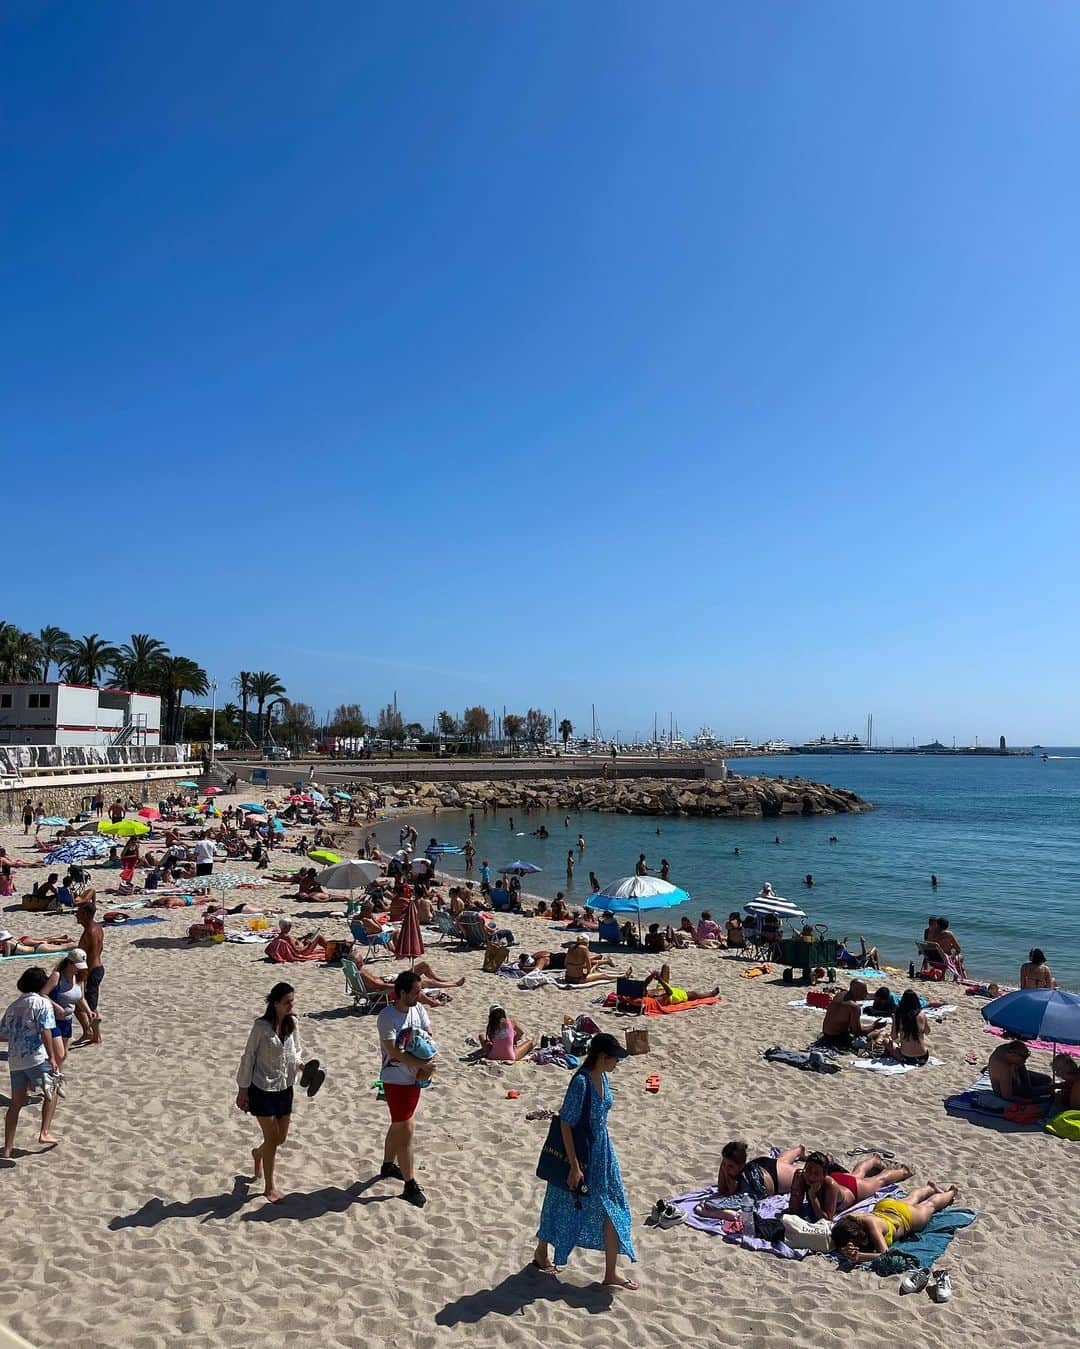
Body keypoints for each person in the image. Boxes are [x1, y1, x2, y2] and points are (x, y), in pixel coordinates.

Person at [532, 1032, 637, 1288]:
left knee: (614, 1207)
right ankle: (541, 1251)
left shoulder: (601, 1075)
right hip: (581, 1155)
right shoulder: (580, 1083)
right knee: (558, 1202)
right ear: (602, 1057)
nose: (617, 1063)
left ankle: (610, 1272)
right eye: (615, 1058)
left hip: (603, 1153)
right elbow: (566, 1123)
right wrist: (574, 1166)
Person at [236, 982, 311, 1203]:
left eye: (292, 1001)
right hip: (262, 1088)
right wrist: (242, 1089)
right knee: (271, 1139)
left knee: (280, 1138)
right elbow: (248, 1057)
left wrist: (301, 1065)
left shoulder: (293, 1023)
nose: (291, 1005)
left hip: (285, 1086)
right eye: (287, 1001)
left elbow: (295, 1051)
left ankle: (258, 1154)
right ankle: (269, 1187)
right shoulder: (260, 1027)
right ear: (275, 1003)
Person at [377, 969, 435, 1207]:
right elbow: (393, 1051)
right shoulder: (387, 1016)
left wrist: (426, 1065)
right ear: (402, 993)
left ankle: (388, 1165)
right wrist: (422, 1063)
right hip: (394, 1079)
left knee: (399, 1124)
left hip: (414, 1079)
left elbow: (428, 1035)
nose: (419, 995)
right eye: (415, 992)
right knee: (406, 1129)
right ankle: (410, 1184)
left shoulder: (418, 1009)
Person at [2, 966, 62, 1158]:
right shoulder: (42, 1003)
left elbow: (2, 1034)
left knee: (16, 1104)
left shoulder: (13, 1006)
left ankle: (8, 1147)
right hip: (36, 1056)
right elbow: (46, 1031)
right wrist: (52, 1057)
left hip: (16, 1060)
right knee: (53, 1090)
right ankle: (44, 1132)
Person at [832, 1184, 959, 1262]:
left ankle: (952, 1192)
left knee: (930, 1205)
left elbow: (885, 1254)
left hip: (904, 1218)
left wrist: (860, 1256)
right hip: (885, 1207)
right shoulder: (851, 1219)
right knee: (911, 1199)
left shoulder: (872, 1226)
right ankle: (929, 1188)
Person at [787, 1152, 912, 1220]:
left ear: (824, 1175)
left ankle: (903, 1171)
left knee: (879, 1180)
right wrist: (796, 1187)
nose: (810, 1176)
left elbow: (826, 1219)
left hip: (852, 1190)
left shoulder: (830, 1185)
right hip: (840, 1179)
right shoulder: (801, 1175)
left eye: (816, 1174)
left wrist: (813, 1197)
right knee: (856, 1174)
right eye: (808, 1170)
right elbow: (793, 1210)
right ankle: (874, 1160)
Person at [42, 952, 90, 1070]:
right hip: (52, 1021)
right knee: (60, 1054)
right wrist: (56, 1006)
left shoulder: (80, 979)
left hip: (67, 1021)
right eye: (77, 966)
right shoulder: (57, 976)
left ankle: (56, 1078)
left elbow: (81, 998)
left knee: (63, 1056)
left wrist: (89, 1011)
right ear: (69, 963)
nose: (79, 970)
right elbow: (43, 994)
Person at [715, 1141, 806, 1198]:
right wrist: (724, 1171)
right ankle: (799, 1149)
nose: (726, 1169)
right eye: (724, 1164)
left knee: (802, 1173)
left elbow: (732, 1197)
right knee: (782, 1161)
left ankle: (800, 1150)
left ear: (741, 1166)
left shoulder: (748, 1181)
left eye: (730, 1166)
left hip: (775, 1176)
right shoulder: (728, 1168)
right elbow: (722, 1190)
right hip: (760, 1165)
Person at [820, 980, 888, 1050]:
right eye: (864, 991)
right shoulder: (854, 1007)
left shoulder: (840, 995)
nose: (866, 993)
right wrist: (874, 1026)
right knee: (879, 1032)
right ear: (856, 991)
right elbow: (858, 1032)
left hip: (826, 1032)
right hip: (836, 1038)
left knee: (864, 1025)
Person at [75, 900, 104, 1045]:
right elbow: (100, 949)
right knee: (86, 1003)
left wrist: (84, 976)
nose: (76, 915)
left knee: (86, 1004)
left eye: (78, 912)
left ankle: (93, 1035)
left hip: (91, 970)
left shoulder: (91, 931)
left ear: (85, 914)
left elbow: (91, 956)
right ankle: (90, 1033)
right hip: (96, 968)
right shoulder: (97, 927)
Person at [988, 1040, 1055, 1101]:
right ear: (1013, 1055)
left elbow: (1018, 1048)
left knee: (1047, 1079)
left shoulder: (1007, 1050)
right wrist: (1031, 1101)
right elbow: (1007, 1096)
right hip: (1009, 1090)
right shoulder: (1003, 1070)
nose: (1024, 1062)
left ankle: (1032, 1088)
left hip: (1016, 1078)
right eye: (1023, 1059)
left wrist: (1027, 1084)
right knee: (1044, 1092)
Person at [887, 989, 932, 1065]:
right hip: (923, 1057)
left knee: (887, 1041)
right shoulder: (921, 1014)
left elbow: (893, 1036)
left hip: (907, 1057)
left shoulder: (898, 1015)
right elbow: (927, 1032)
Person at [645, 963, 718, 1005]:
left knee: (665, 967)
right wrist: (659, 979)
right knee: (693, 994)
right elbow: (669, 993)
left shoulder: (644, 992)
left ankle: (658, 976)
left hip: (661, 988)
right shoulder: (654, 999)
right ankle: (711, 994)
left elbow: (644, 984)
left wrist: (653, 975)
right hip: (672, 996)